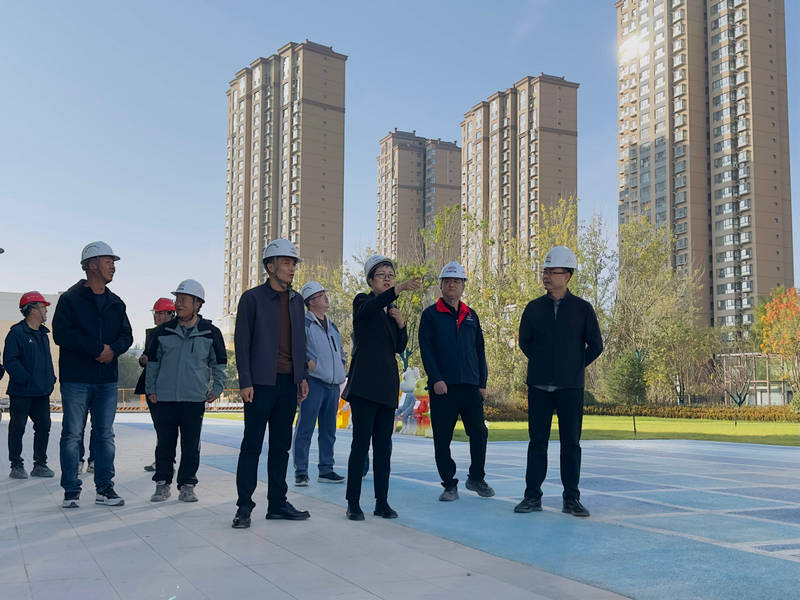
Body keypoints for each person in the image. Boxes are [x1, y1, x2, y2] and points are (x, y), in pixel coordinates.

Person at [515, 246, 603, 518]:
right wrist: (544, 363)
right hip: (539, 387)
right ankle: (532, 497)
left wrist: (573, 366)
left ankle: (571, 499)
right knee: (537, 443)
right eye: (545, 271)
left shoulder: (582, 309)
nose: (546, 276)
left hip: (570, 388)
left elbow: (596, 345)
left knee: (571, 444)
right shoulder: (533, 308)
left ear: (567, 276)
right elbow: (525, 342)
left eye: (552, 272)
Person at [232, 239, 310, 529]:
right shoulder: (251, 299)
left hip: (288, 383)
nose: (292, 268)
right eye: (286, 263)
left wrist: (301, 377)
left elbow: (300, 342)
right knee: (251, 446)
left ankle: (277, 503)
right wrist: (245, 381)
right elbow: (242, 343)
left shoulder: (297, 301)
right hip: (260, 384)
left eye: (293, 263)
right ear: (270, 266)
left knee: (281, 447)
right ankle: (244, 506)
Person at [53, 241, 133, 508]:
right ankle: (71, 490)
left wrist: (113, 350)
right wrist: (96, 348)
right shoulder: (70, 299)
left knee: (105, 435)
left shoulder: (116, 303)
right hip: (76, 378)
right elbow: (62, 334)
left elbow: (127, 336)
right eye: (108, 261)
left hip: (106, 380)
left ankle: (105, 489)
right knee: (72, 434)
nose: (113, 267)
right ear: (91, 265)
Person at [342, 255, 419, 521]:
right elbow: (368, 310)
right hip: (365, 386)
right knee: (360, 444)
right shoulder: (362, 302)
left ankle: (381, 502)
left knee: (384, 448)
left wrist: (402, 325)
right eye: (382, 275)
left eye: (391, 275)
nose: (388, 279)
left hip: (387, 387)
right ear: (370, 280)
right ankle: (353, 502)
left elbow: (399, 347)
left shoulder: (391, 311)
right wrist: (396, 291)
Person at [145, 280, 226, 503]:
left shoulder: (210, 332)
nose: (178, 304)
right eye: (177, 299)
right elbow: (153, 363)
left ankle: (187, 485)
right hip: (165, 398)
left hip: (194, 398)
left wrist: (217, 388)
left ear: (197, 303)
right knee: (164, 444)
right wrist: (151, 389)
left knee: (191, 446)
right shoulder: (162, 332)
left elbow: (219, 363)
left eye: (183, 300)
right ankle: (162, 484)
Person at [418, 261, 493, 502]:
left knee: (479, 433)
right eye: (448, 281)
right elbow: (427, 350)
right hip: (444, 387)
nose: (452, 285)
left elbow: (479, 351)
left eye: (457, 281)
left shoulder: (471, 315)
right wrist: (436, 378)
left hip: (470, 385)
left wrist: (482, 383)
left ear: (463, 286)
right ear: (441, 285)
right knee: (442, 438)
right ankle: (449, 484)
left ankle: (476, 477)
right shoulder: (430, 315)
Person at [292, 281, 347, 486]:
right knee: (305, 427)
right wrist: (308, 365)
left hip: (333, 385)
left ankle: (326, 470)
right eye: (321, 295)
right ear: (312, 301)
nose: (326, 298)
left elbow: (339, 352)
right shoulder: (304, 325)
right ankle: (301, 471)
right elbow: (297, 349)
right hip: (313, 383)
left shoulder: (332, 326)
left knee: (329, 431)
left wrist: (341, 365)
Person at [3, 292, 57, 479]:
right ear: (32, 309)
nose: (46, 311)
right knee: (17, 428)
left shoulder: (43, 335)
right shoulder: (16, 333)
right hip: (22, 391)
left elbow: (47, 361)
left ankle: (40, 464)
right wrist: (26, 379)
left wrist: (51, 379)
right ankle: (16, 465)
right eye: (43, 307)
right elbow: (10, 361)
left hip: (41, 392)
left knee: (44, 426)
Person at [135, 297, 176, 472]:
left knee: (168, 426)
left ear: (171, 314)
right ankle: (162, 460)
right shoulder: (152, 334)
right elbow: (148, 357)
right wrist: (143, 360)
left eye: (160, 313)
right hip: (153, 386)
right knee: (160, 426)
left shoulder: (176, 333)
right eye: (156, 313)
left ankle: (166, 461)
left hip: (170, 385)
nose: (157, 316)